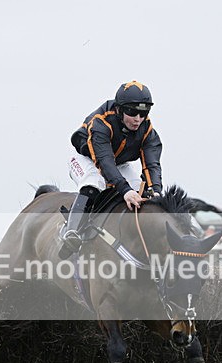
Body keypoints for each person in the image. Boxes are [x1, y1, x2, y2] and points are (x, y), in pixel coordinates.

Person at [60, 80, 163, 258]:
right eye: (132, 112)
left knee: (142, 191)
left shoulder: (147, 130)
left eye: (143, 112)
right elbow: (104, 162)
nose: (138, 118)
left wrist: (156, 190)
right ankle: (72, 231)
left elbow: (152, 164)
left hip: (118, 163)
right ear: (119, 109)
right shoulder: (101, 123)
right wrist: (124, 190)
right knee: (94, 182)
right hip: (87, 159)